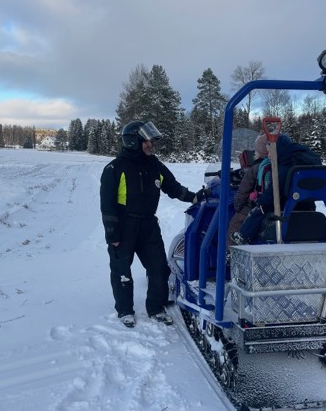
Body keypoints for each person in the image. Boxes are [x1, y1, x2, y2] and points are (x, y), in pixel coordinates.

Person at [100, 121, 208, 328]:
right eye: (146, 141)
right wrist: (112, 233)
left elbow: (173, 187)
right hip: (124, 226)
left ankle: (156, 308)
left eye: (151, 141)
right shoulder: (115, 168)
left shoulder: (155, 165)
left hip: (148, 225)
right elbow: (107, 204)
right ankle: (125, 310)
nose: (150, 145)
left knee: (158, 268)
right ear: (133, 141)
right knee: (122, 270)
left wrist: (194, 197)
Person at [227, 134, 269, 243]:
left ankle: (230, 249)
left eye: (256, 151)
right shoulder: (279, 164)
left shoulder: (256, 168)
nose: (254, 153)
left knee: (235, 223)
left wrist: (238, 206)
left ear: (261, 151)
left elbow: (243, 191)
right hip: (278, 205)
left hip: (258, 206)